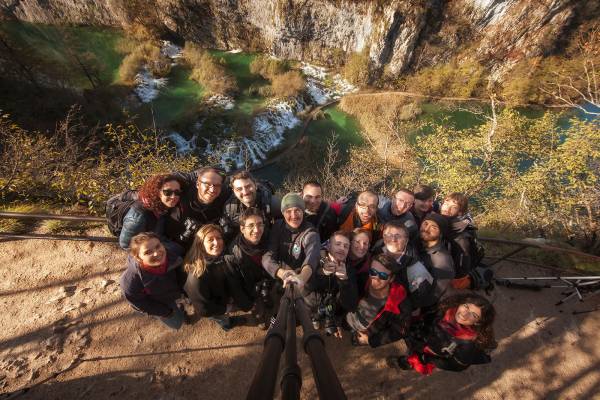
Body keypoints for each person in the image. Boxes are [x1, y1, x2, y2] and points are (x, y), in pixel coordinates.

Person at [387, 292, 496, 374]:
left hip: (430, 353)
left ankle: (405, 363)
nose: (464, 314)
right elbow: (429, 314)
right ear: (460, 303)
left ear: (478, 323)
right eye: (466, 306)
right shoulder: (447, 308)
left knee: (414, 359)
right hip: (421, 336)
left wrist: (427, 359)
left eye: (474, 315)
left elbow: (457, 366)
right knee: (412, 347)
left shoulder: (468, 344)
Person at [183, 224, 253, 331]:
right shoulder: (196, 276)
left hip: (222, 297)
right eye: (210, 240)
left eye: (219, 238)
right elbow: (203, 309)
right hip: (216, 307)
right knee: (222, 318)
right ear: (200, 244)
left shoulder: (218, 256)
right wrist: (226, 308)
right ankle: (227, 324)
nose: (216, 243)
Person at [120, 232, 187, 330]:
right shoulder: (131, 281)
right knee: (177, 323)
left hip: (176, 292)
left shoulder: (174, 251)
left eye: (158, 246)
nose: (156, 253)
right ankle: (181, 317)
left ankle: (180, 309)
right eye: (148, 252)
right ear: (138, 258)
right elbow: (138, 302)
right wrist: (164, 312)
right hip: (161, 303)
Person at [345, 253, 412, 348]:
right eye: (373, 272)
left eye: (383, 275)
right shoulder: (361, 280)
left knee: (355, 341)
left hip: (367, 333)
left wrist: (371, 340)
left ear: (391, 278)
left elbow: (400, 330)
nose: (376, 278)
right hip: (349, 321)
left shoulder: (401, 303)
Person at [262, 193, 321, 301]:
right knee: (278, 313)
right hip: (282, 279)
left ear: (303, 211)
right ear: (283, 213)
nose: (293, 216)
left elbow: (312, 257)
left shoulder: (310, 232)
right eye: (288, 211)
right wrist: (282, 273)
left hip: (304, 283)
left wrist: (301, 278)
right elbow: (267, 256)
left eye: (297, 210)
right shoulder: (277, 227)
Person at [372, 221, 437, 310]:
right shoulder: (378, 247)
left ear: (406, 240)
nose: (393, 239)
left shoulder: (417, 271)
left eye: (398, 236)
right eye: (389, 235)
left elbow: (417, 300)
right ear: (383, 237)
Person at [226, 207, 272, 328]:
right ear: (242, 228)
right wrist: (246, 303)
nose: (256, 230)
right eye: (250, 225)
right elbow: (234, 283)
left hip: (267, 279)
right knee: (257, 306)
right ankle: (258, 314)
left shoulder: (270, 239)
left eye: (259, 224)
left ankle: (267, 297)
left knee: (268, 294)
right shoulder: (234, 253)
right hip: (249, 286)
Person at [165, 166, 231, 250]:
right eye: (207, 184)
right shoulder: (181, 203)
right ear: (197, 184)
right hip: (191, 251)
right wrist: (187, 233)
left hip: (219, 247)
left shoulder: (226, 197)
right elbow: (171, 237)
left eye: (217, 185)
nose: (212, 190)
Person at [119, 174, 184, 255]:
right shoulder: (138, 216)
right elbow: (126, 245)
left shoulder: (163, 207)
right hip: (146, 250)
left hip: (157, 239)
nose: (173, 196)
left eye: (177, 192)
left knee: (181, 249)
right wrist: (153, 253)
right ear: (157, 192)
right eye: (168, 192)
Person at [309, 231, 358, 335]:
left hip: (333, 307)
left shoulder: (350, 270)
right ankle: (315, 317)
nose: (342, 248)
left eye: (346, 246)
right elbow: (305, 288)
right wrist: (322, 272)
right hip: (314, 303)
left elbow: (351, 305)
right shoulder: (315, 261)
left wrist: (344, 280)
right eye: (338, 244)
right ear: (329, 246)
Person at [220, 171, 281, 241]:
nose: (245, 192)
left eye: (248, 186)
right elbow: (229, 237)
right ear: (233, 191)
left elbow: (284, 228)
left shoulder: (271, 203)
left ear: (255, 185)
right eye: (239, 189)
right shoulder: (230, 209)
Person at [440, 193, 482, 289]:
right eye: (446, 204)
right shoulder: (445, 217)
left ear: (459, 212)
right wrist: (467, 220)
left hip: (452, 271)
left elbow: (463, 261)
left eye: (454, 207)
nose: (447, 208)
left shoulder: (459, 235)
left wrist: (458, 278)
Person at [419, 213, 455, 296]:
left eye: (434, 227)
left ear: (441, 233)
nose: (426, 229)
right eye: (425, 223)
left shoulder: (442, 261)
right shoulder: (417, 242)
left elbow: (436, 293)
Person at [348, 228, 372, 298]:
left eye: (365, 243)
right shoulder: (340, 254)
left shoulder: (369, 266)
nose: (362, 247)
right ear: (350, 242)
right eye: (358, 242)